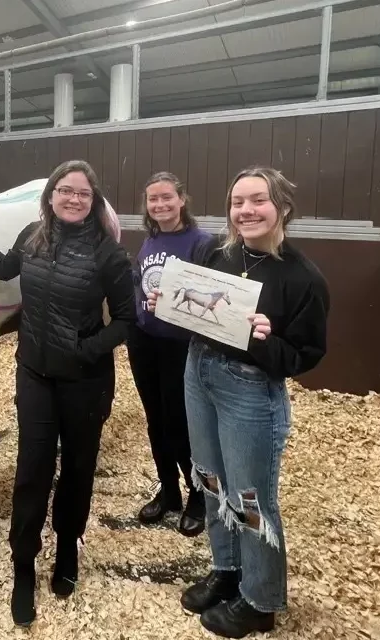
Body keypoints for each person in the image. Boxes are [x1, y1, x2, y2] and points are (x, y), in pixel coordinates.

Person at [0, 159, 136, 628]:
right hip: (33, 375)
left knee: (76, 470)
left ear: (94, 202)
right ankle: (23, 567)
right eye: (66, 191)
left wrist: (85, 349)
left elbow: (129, 320)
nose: (74, 199)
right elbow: (3, 267)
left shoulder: (108, 253)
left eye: (84, 194)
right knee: (31, 471)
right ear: (50, 195)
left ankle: (68, 550)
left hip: (85, 380)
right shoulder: (32, 236)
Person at [146, 166, 329, 638]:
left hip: (249, 391)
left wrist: (266, 342)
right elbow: (199, 317)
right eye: (237, 202)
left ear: (282, 206)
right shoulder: (220, 257)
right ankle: (227, 571)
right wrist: (164, 303)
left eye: (257, 200)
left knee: (250, 497)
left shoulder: (303, 278)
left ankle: (260, 598)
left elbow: (304, 355)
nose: (245, 211)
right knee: (208, 480)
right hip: (199, 373)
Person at [127, 171, 211, 536]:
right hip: (146, 339)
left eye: (166, 198)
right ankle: (169, 490)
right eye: (152, 199)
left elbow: (208, 298)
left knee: (180, 423)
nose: (159, 205)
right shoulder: (152, 239)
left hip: (180, 345)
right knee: (155, 420)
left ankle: (199, 495)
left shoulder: (201, 243)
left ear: (182, 199)